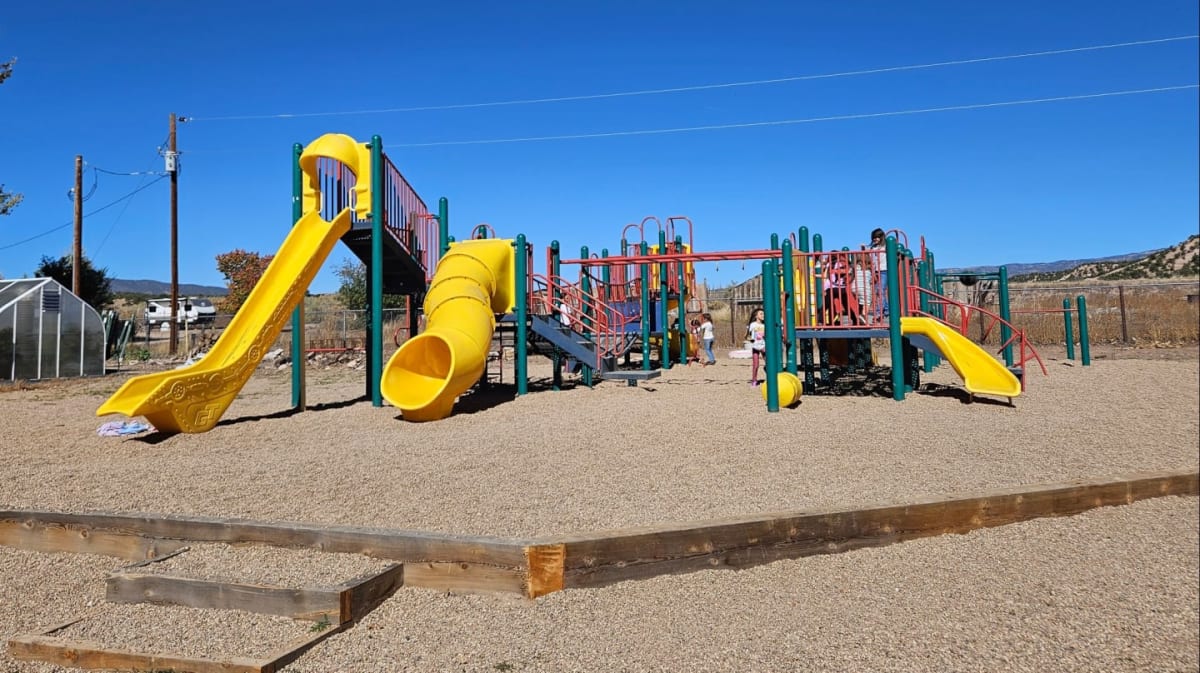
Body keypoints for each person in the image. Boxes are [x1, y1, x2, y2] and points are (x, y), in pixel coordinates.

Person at [869, 228, 889, 320]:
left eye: (877, 237)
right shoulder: (873, 247)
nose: (875, 239)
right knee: (878, 291)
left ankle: (878, 312)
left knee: (880, 291)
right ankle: (887, 309)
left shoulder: (886, 246)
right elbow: (870, 257)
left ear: (881, 237)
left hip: (884, 270)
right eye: (874, 237)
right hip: (876, 271)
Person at [746, 308, 766, 385]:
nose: (763, 315)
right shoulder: (753, 324)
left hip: (764, 345)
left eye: (763, 314)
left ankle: (770, 376)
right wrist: (750, 338)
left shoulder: (765, 324)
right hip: (755, 346)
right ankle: (754, 380)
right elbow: (750, 335)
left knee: (768, 363)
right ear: (756, 316)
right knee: (756, 365)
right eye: (761, 314)